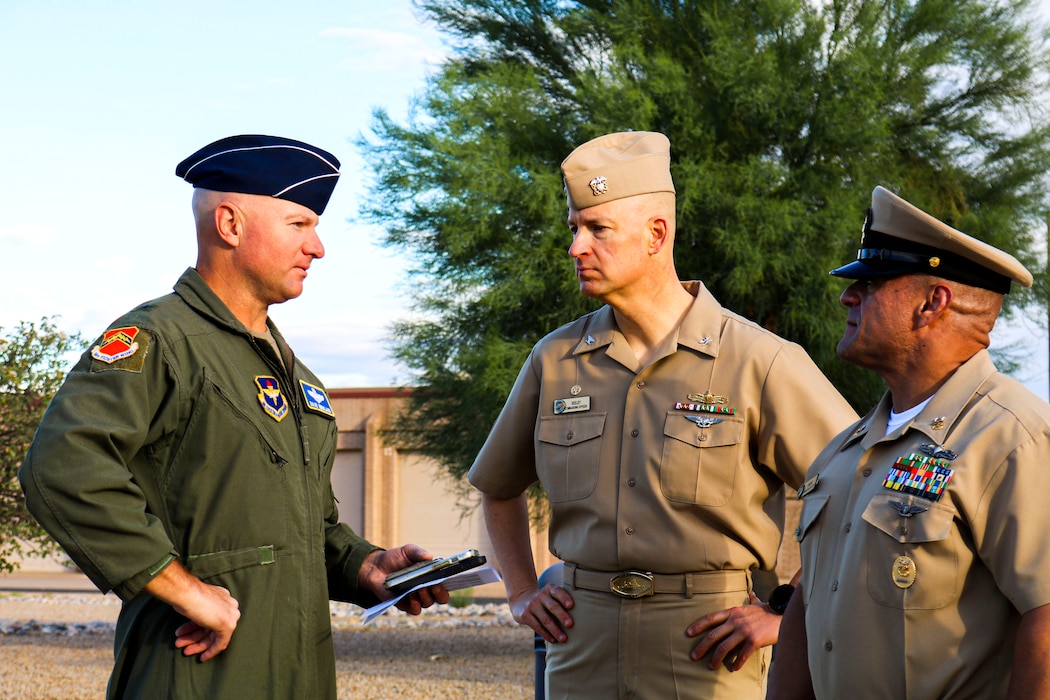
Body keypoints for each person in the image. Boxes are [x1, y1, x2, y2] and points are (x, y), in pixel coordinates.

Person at [19, 134, 449, 699]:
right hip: (197, 673)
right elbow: (62, 466)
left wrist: (367, 567)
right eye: (300, 225)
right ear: (230, 224)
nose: (318, 248)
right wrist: (180, 587)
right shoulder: (160, 340)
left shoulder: (297, 376)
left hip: (300, 671)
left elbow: (304, 529)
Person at [467, 131, 857, 699]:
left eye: (597, 229)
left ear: (656, 234)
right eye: (573, 227)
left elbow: (855, 489)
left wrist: (783, 611)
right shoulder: (554, 360)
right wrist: (523, 591)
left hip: (708, 652)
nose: (576, 246)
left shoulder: (758, 360)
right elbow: (498, 486)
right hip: (581, 647)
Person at [768, 186, 1050, 699]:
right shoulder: (844, 452)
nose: (846, 296)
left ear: (932, 303)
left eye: (870, 284)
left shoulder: (1012, 437)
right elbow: (811, 605)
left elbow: (1047, 617)